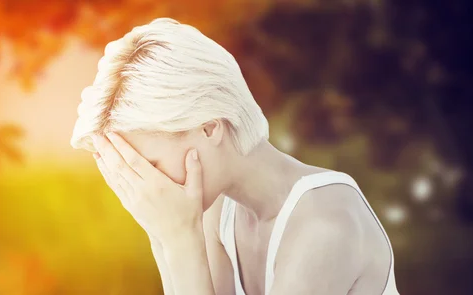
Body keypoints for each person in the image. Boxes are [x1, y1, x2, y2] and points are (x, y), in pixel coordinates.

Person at [70, 17, 400, 295]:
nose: (149, 188)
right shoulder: (220, 209)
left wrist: (180, 240)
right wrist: (161, 236)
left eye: (151, 166)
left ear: (210, 128)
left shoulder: (324, 225)